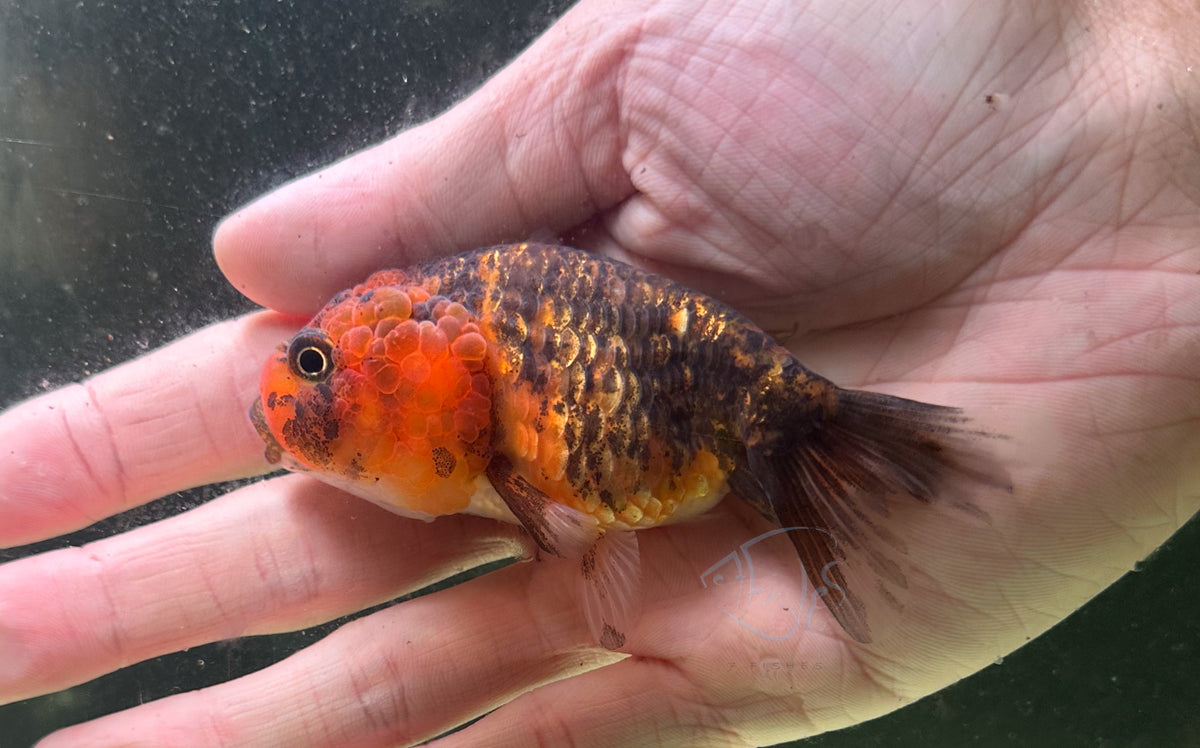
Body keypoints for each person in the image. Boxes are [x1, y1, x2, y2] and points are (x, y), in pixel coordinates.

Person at [2, 0, 1199, 744]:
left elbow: (572, 522)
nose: (296, 392)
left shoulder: (474, 349)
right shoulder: (450, 360)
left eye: (316, 366)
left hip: (681, 421)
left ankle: (818, 448)